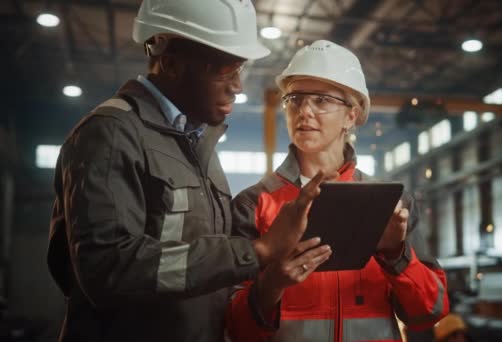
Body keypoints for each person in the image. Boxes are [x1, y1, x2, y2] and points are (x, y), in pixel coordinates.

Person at [46, 1, 330, 341]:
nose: (238, 86)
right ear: (171, 63)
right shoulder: (111, 134)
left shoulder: (200, 144)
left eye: (241, 69)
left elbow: (202, 273)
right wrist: (255, 252)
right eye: (225, 69)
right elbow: (108, 271)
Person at [226, 40, 450, 342]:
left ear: (351, 116)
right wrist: (271, 287)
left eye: (321, 100)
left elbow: (429, 312)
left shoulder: (391, 205)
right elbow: (234, 330)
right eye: (295, 98)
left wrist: (395, 255)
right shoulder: (254, 204)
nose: (304, 110)